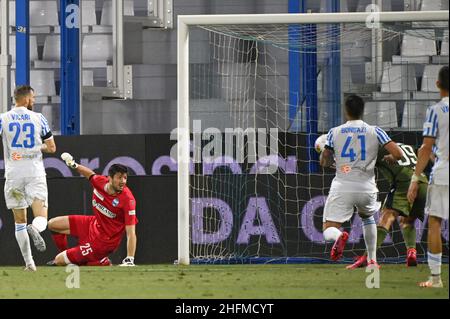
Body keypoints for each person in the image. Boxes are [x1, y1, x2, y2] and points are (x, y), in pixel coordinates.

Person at [320, 95, 403, 268]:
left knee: (328, 228)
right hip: (367, 187)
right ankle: (372, 260)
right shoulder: (375, 130)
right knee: (368, 219)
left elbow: (325, 159)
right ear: (362, 110)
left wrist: (327, 158)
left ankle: (339, 237)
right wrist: (389, 157)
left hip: (343, 185)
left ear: (346, 110)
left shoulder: (334, 132)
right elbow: (398, 154)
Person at [0, 85, 56, 271]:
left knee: (19, 222)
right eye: (33, 98)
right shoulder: (39, 118)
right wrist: (36, 148)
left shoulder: (3, 118)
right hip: (35, 173)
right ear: (25, 99)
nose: (34, 101)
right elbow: (52, 148)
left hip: (14, 175)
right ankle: (36, 228)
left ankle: (29, 264)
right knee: (41, 217)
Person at [347, 142, 428, 269]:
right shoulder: (408, 146)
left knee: (387, 217)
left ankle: (367, 257)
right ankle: (411, 252)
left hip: (404, 182)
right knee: (407, 220)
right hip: (423, 182)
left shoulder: (377, 149)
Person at [47, 153, 138, 267]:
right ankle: (73, 258)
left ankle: (98, 260)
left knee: (58, 260)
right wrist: (73, 165)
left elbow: (131, 233)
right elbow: (89, 174)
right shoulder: (100, 182)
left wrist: (130, 258)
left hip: (104, 242)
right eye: (119, 177)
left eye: (125, 178)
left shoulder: (128, 200)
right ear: (109, 178)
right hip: (92, 224)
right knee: (52, 224)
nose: (123, 181)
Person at [407, 65, 449, 288]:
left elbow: (426, 147)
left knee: (434, 223)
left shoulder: (436, 110)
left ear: (437, 84)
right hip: (443, 164)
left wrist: (415, 178)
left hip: (443, 174)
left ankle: (436, 279)